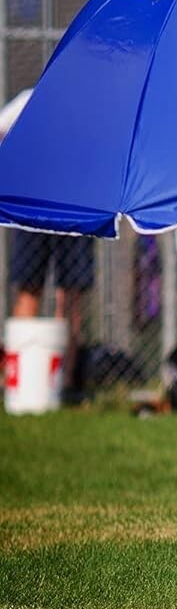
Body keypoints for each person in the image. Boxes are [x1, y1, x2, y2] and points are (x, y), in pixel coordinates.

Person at [3, 91, 94, 401]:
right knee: (28, 289)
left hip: (75, 207)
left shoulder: (89, 108)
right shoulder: (31, 99)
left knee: (71, 295)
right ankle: (20, 377)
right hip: (32, 209)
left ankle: (65, 382)